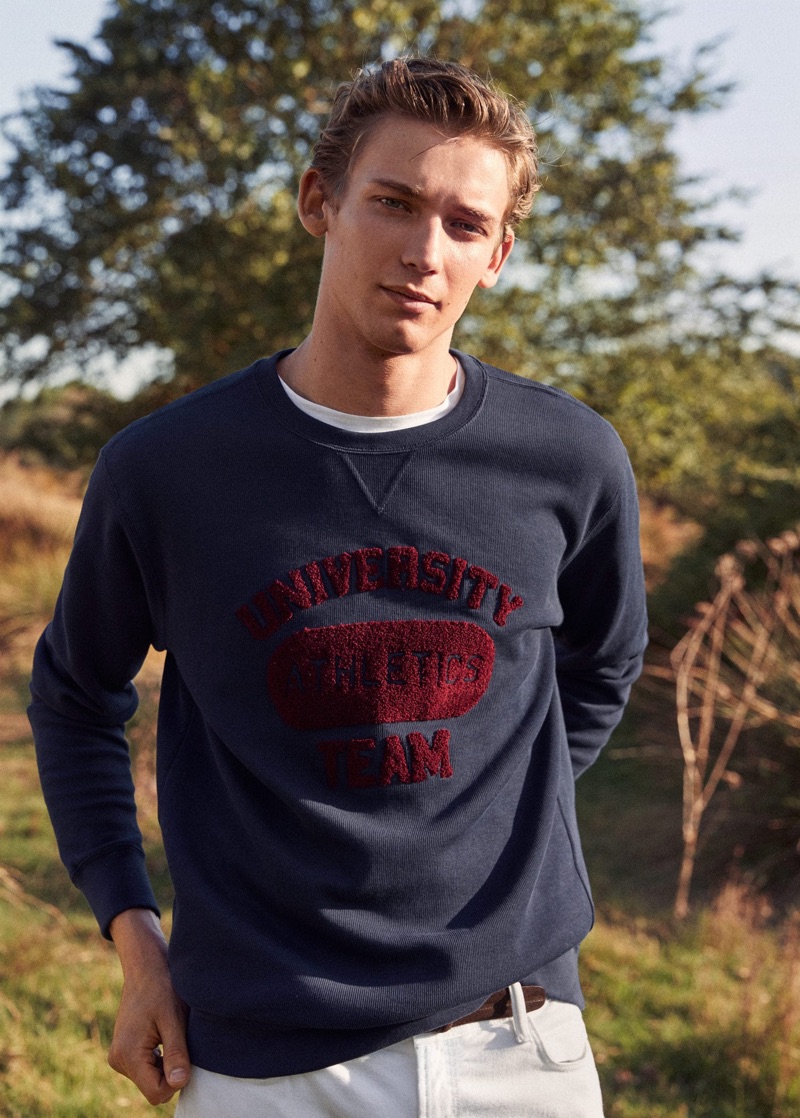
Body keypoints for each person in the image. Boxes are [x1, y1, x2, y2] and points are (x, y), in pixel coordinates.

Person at [29, 57, 648, 1116]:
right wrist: (136, 938)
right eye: (393, 203)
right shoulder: (167, 470)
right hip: (261, 1058)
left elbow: (601, 664)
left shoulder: (568, 458)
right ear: (319, 200)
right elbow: (76, 696)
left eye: (464, 224)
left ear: (498, 254)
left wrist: (482, 806)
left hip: (514, 1039)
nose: (423, 252)